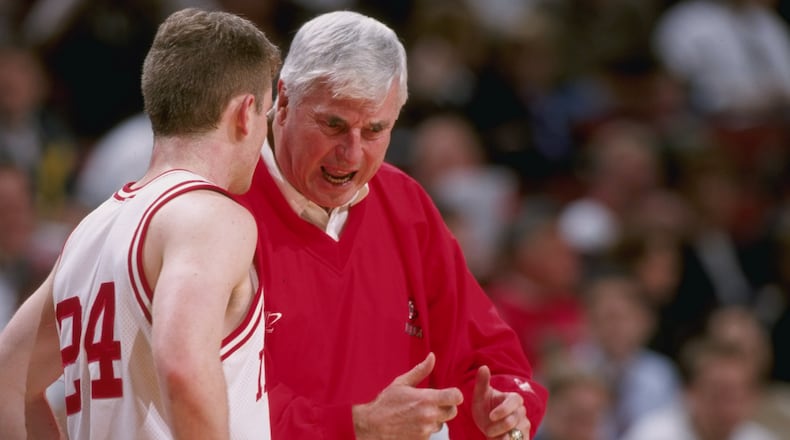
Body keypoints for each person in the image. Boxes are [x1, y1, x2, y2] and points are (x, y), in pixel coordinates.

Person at [237, 10, 547, 440]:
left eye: (374, 131)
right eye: (334, 125)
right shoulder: (223, 206)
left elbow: (495, 364)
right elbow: (207, 405)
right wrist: (354, 427)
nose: (351, 153)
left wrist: (504, 410)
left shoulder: (405, 205)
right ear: (284, 101)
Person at [0, 8, 280, 439]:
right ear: (245, 112)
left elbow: (10, 381)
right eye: (267, 113)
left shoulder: (90, 230)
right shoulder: (209, 216)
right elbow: (183, 366)